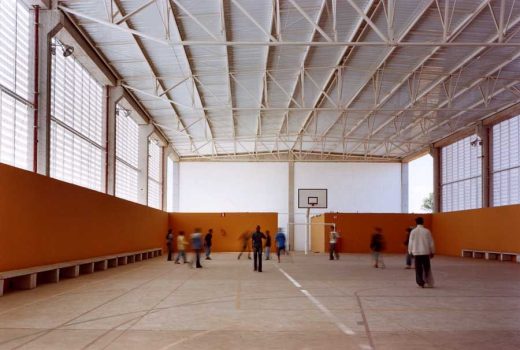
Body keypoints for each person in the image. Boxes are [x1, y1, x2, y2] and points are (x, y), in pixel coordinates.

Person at [408, 217, 435, 288]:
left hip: (416, 253)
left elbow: (410, 242)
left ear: (416, 223)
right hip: (425, 252)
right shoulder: (427, 231)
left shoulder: (413, 231)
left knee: (418, 268)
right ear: (423, 222)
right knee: (427, 267)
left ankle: (420, 282)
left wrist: (410, 251)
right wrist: (432, 251)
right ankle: (428, 281)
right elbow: (431, 242)